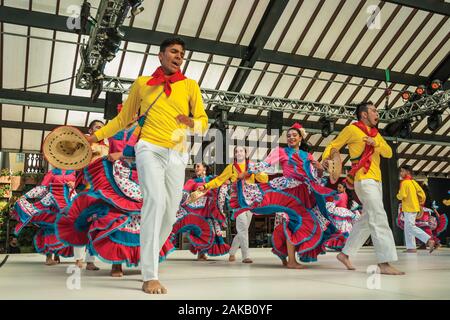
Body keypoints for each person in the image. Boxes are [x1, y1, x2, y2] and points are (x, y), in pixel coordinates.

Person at [87, 37, 208, 294]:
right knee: (154, 200)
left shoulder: (190, 86)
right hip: (149, 147)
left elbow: (203, 122)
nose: (179, 56)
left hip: (177, 152)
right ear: (161, 55)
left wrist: (191, 122)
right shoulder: (143, 84)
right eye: (173, 52)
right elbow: (123, 119)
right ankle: (150, 274)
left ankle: (147, 255)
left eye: (182, 54)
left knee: (170, 210)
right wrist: (96, 137)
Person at [322, 101, 404, 275]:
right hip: (363, 179)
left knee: (367, 220)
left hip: (377, 181)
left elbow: (388, 152)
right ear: (364, 114)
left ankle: (345, 254)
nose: (377, 113)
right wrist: (327, 159)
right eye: (374, 110)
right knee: (379, 216)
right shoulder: (352, 130)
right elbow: (333, 145)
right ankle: (384, 262)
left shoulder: (376, 134)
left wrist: (376, 144)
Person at [246, 124, 340, 268]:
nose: (291, 138)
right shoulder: (281, 151)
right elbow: (266, 163)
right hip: (288, 191)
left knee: (300, 224)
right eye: (288, 136)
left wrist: (320, 169)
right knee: (289, 222)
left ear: (301, 138)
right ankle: (291, 260)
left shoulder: (307, 156)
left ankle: (287, 257)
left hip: (303, 192)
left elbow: (314, 177)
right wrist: (249, 170)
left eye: (294, 135)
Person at [198, 147, 268, 264]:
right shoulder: (231, 168)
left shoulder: (251, 166)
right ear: (235, 155)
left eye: (241, 151)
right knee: (242, 227)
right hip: (237, 201)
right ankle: (246, 256)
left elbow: (264, 179)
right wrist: (205, 186)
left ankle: (232, 252)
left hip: (250, 200)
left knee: (243, 229)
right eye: (236, 151)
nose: (239, 153)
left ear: (245, 154)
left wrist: (255, 171)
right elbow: (219, 180)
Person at [11, 168, 76, 265]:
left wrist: (74, 186)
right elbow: (43, 188)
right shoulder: (52, 172)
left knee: (66, 229)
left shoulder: (74, 172)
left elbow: (81, 186)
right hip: (52, 204)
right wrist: (27, 196)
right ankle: (49, 258)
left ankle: (57, 255)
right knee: (49, 229)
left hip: (68, 203)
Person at [171, 162, 229, 261]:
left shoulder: (212, 179)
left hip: (209, 209)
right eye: (195, 167)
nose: (196, 168)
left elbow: (221, 181)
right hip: (197, 210)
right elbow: (185, 193)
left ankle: (203, 252)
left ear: (205, 168)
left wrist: (225, 182)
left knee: (210, 231)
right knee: (200, 231)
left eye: (198, 166)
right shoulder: (192, 181)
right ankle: (201, 253)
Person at [72, 119, 105, 271]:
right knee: (82, 223)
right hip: (84, 188)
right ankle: (79, 259)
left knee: (96, 224)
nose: (100, 129)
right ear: (90, 130)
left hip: (101, 190)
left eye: (102, 128)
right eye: (97, 127)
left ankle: (90, 260)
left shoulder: (108, 147)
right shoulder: (83, 143)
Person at [396, 165, 436, 253]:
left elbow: (402, 196)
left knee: (410, 227)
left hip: (408, 207)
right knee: (408, 227)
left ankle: (429, 240)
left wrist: (398, 195)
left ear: (408, 172)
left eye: (402, 171)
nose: (401, 173)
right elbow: (422, 194)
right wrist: (419, 203)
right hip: (414, 207)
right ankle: (411, 247)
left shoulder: (404, 182)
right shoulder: (413, 182)